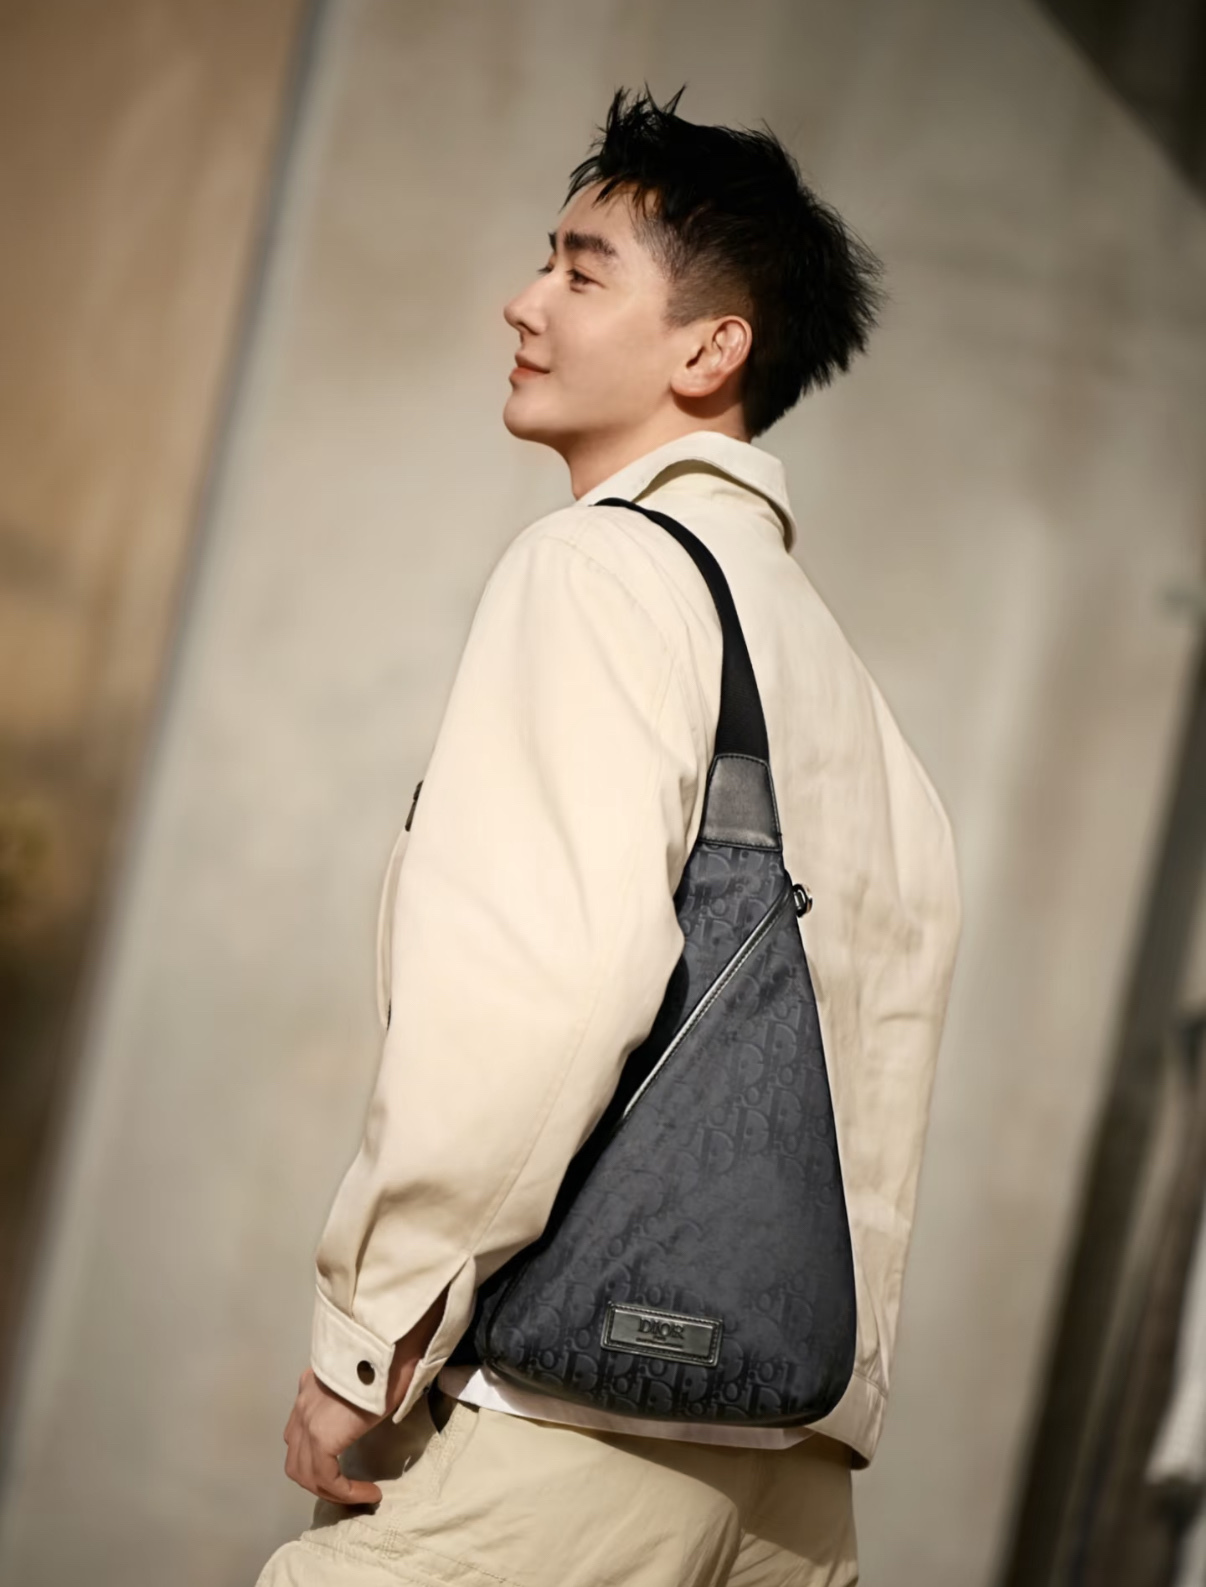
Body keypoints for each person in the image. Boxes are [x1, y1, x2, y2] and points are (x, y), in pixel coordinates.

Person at [257, 83, 962, 1587]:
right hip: (785, 1476)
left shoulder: (598, 572)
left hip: (560, 1436)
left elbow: (541, 994)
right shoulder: (841, 686)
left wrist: (371, 1337)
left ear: (711, 350)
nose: (524, 303)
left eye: (581, 273)